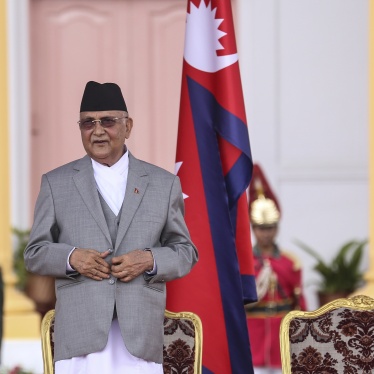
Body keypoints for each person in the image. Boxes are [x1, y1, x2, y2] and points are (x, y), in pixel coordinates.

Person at [24, 81, 198, 374]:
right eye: (88, 123)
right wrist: (71, 258)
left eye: (107, 121)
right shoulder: (56, 183)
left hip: (139, 336)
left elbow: (185, 252)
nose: (98, 130)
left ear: (128, 126)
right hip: (79, 338)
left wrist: (150, 259)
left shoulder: (163, 183)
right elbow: (35, 253)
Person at [245, 165, 306, 374]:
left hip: (283, 337)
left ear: (277, 228)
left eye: (270, 227)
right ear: (253, 228)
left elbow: (299, 302)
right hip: (254, 337)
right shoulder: (243, 263)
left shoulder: (290, 263)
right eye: (261, 228)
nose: (266, 233)